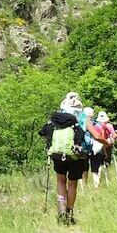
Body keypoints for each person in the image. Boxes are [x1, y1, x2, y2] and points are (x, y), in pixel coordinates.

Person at [39, 92, 86, 225]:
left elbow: (43, 132)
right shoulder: (78, 119)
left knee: (60, 180)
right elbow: (82, 136)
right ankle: (69, 213)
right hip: (74, 155)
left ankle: (61, 211)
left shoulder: (55, 120)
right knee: (72, 183)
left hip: (57, 153)